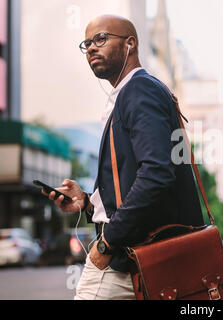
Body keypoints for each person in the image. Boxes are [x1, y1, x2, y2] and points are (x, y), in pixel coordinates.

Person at [41, 15, 205, 300]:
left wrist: (107, 242)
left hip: (128, 255)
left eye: (101, 39)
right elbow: (136, 181)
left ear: (131, 44)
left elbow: (156, 174)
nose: (91, 48)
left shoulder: (139, 90)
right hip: (139, 255)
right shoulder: (132, 93)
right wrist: (88, 203)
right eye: (87, 43)